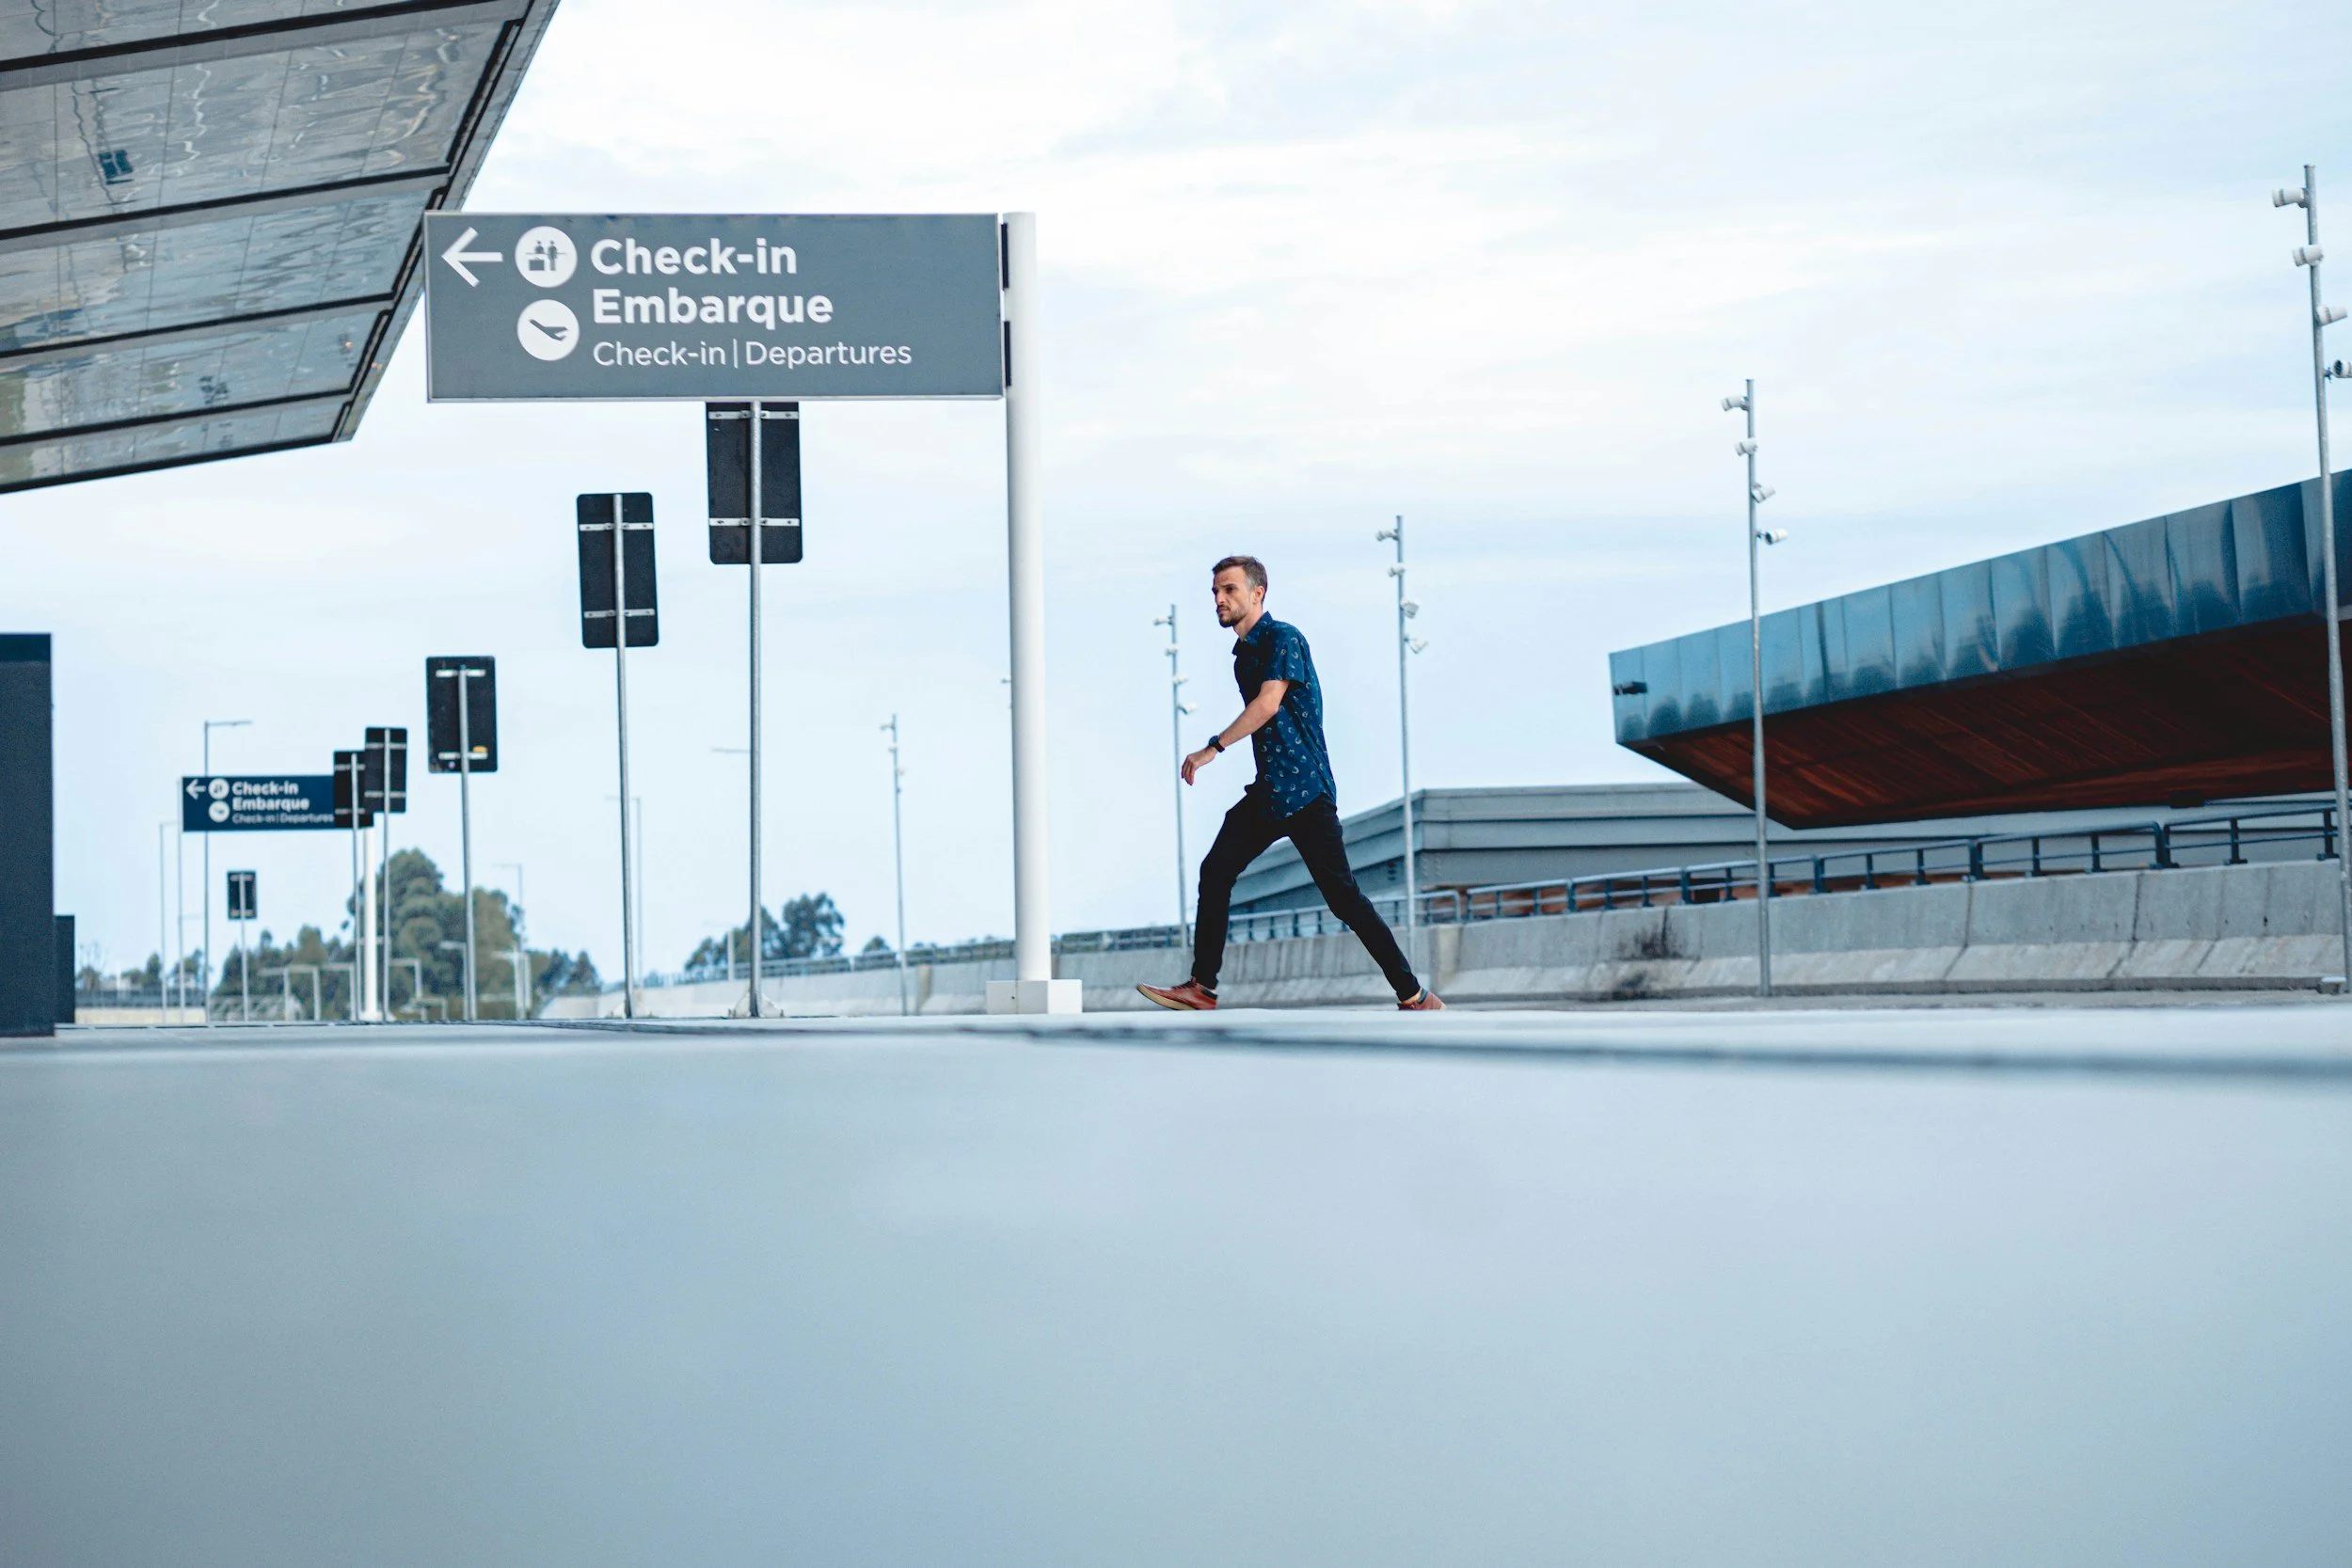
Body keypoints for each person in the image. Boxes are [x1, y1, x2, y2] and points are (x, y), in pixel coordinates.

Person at [1139, 555, 1444, 1012]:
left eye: (1230, 591)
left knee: (1345, 900)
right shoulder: (1244, 657)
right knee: (1216, 870)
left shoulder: (1284, 639)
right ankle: (1202, 987)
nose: (1220, 600)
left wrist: (1212, 748)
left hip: (1305, 791)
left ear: (1258, 593)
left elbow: (1267, 705)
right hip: (1272, 791)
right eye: (1215, 593)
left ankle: (1415, 995)